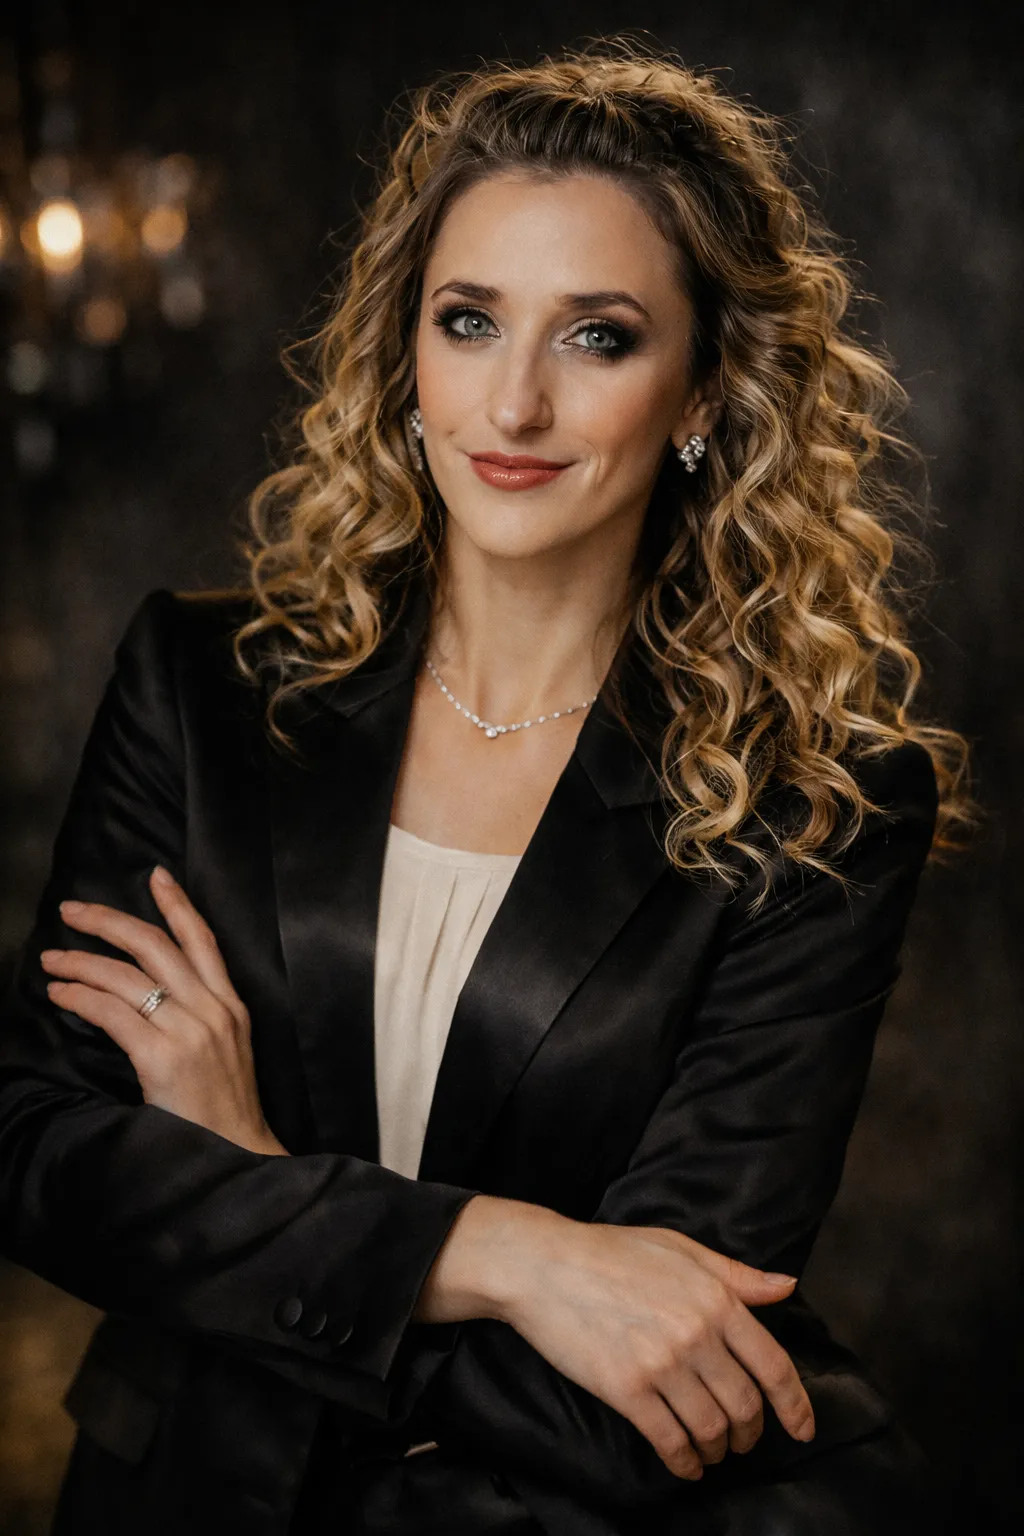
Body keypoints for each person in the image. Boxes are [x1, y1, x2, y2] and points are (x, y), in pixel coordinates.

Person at [0, 40, 972, 1536]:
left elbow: (661, 1373)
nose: (512, 403)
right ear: (408, 355)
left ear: (705, 390)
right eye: (469, 322)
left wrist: (248, 1176)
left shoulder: (820, 803)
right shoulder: (202, 687)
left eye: (598, 338)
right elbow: (39, 1152)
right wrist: (515, 1258)